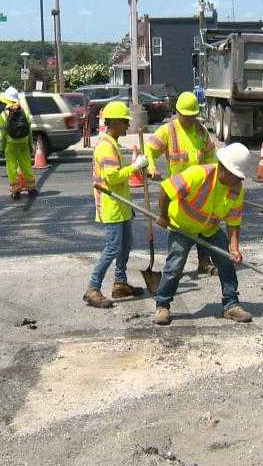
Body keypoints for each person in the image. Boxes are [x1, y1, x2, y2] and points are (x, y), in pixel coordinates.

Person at [153, 142, 253, 326]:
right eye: (236, 176)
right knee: (175, 265)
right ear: (223, 168)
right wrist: (163, 216)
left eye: (240, 176)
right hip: (181, 227)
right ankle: (162, 305)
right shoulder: (199, 174)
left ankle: (231, 304)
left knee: (226, 260)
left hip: (209, 229)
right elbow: (165, 189)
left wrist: (234, 249)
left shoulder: (236, 189)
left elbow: (233, 222)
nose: (239, 181)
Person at [144, 91, 219, 277]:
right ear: (178, 113)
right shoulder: (168, 130)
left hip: (199, 189)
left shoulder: (201, 131)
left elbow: (211, 156)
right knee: (177, 230)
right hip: (177, 190)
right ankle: (174, 268)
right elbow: (150, 149)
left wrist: (215, 177)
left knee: (203, 225)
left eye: (193, 115)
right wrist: (151, 167)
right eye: (186, 115)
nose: (190, 119)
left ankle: (204, 262)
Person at [84, 101, 148, 309]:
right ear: (113, 123)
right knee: (112, 248)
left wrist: (135, 165)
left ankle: (120, 283)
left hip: (122, 205)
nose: (128, 125)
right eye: (124, 122)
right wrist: (135, 167)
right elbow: (112, 178)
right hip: (111, 206)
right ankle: (93, 288)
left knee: (125, 245)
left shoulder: (112, 143)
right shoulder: (106, 147)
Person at [0, 87, 37, 199]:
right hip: (23, 143)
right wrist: (30, 145)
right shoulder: (25, 112)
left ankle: (15, 191)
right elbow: (29, 132)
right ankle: (31, 188)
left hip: (10, 145)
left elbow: (2, 135)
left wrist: (1, 148)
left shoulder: (3, 115)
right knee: (26, 165)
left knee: (12, 168)